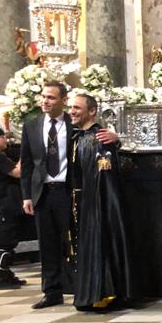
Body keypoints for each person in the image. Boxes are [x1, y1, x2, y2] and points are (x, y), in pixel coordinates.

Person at [66, 92, 134, 311]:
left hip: (99, 204)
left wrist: (97, 204)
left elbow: (105, 175)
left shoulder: (100, 138)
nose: (72, 111)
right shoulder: (77, 137)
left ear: (92, 111)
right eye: (71, 107)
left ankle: (103, 293)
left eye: (77, 107)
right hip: (83, 203)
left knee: (102, 244)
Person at [19, 81, 75, 308]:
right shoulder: (31, 126)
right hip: (43, 191)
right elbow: (27, 164)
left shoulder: (73, 123)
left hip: (67, 190)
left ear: (63, 100)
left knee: (72, 240)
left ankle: (79, 286)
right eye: (43, 97)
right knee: (48, 243)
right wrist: (26, 196)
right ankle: (52, 291)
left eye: (51, 97)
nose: (45, 101)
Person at [0, 128, 25, 289]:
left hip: (5, 203)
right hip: (2, 205)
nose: (6, 140)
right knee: (4, 240)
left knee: (6, 237)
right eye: (3, 137)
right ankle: (0, 277)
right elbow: (17, 172)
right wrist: (24, 155)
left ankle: (5, 274)